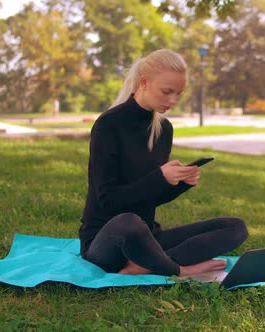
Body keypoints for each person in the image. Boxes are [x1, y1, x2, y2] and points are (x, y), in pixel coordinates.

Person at [79, 49, 248, 277]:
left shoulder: (163, 129)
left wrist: (179, 183)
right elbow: (108, 201)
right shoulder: (109, 125)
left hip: (147, 237)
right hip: (107, 242)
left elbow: (151, 197)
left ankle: (147, 265)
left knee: (235, 227)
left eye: (178, 94)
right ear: (144, 82)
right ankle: (177, 269)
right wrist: (160, 178)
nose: (173, 101)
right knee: (129, 223)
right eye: (167, 92)